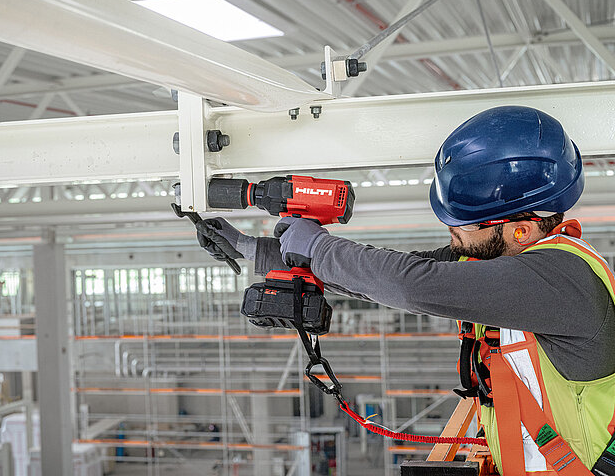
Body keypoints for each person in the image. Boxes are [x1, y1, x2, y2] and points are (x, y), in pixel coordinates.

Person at [196, 106, 615, 475]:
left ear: (518, 229)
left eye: (460, 225)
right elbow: (385, 274)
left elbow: (412, 284)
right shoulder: (499, 259)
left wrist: (319, 246)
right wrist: (258, 250)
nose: (450, 234)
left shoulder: (561, 281)